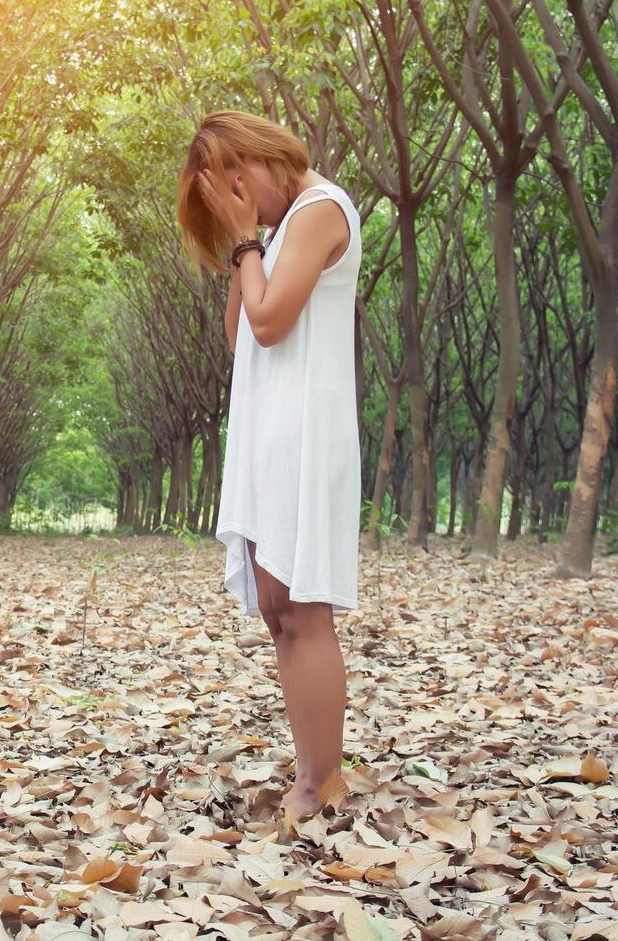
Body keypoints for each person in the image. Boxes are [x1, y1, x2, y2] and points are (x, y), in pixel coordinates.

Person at [175, 110, 361, 830]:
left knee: (304, 609)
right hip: (268, 426)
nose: (237, 199)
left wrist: (250, 237)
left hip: (304, 429)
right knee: (279, 610)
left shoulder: (318, 209)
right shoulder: (277, 231)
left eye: (234, 182)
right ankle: (309, 775)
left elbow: (273, 321)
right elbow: (240, 334)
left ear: (261, 156)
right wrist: (240, 242)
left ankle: (323, 782)